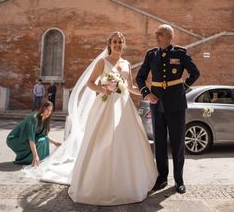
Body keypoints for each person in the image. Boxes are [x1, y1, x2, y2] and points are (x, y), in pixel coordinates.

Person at [22, 32, 157, 206]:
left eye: (120, 42)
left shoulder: (126, 64)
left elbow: (130, 87)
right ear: (109, 44)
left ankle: (128, 181)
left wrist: (147, 93)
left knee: (127, 142)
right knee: (102, 141)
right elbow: (90, 82)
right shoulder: (102, 62)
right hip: (105, 106)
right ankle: (97, 182)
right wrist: (104, 90)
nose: (117, 45)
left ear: (124, 45)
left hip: (124, 108)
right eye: (115, 42)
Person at [136, 24, 200, 194]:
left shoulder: (180, 53)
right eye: (156, 34)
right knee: (159, 143)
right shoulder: (151, 54)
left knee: (178, 143)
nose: (156, 36)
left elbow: (195, 73)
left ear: (169, 37)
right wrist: (147, 94)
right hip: (156, 104)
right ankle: (162, 178)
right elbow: (140, 77)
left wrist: (182, 87)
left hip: (176, 104)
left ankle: (179, 180)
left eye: (160, 34)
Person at [6, 101, 61, 165]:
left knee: (44, 140)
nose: (49, 112)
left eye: (50, 110)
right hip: (14, 139)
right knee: (40, 142)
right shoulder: (34, 118)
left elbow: (45, 136)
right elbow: (31, 139)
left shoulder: (45, 119)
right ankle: (31, 159)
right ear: (43, 108)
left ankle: (39, 159)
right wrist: (35, 155)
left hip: (25, 138)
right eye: (47, 109)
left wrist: (55, 143)